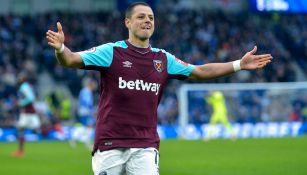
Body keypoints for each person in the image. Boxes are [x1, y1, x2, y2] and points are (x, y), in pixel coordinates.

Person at [46, 2, 272, 174]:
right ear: (127, 22)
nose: (147, 21)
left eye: (151, 18)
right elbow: (71, 60)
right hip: (110, 144)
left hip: (145, 145)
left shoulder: (162, 59)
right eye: (141, 17)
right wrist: (60, 48)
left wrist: (238, 64)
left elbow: (199, 71)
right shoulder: (112, 52)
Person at [12, 72, 40, 157]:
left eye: (20, 78)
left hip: (28, 112)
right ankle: (20, 151)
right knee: (24, 129)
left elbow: (31, 98)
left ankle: (20, 151)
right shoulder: (26, 86)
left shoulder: (24, 87)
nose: (18, 79)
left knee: (21, 129)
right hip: (29, 111)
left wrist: (20, 103)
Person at [70, 77, 97, 150]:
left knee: (86, 126)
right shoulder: (86, 91)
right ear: (91, 84)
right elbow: (87, 103)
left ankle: (79, 140)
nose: (96, 86)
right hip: (85, 111)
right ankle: (78, 140)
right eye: (95, 85)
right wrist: (92, 111)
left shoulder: (85, 91)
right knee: (89, 126)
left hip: (83, 111)